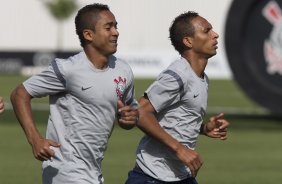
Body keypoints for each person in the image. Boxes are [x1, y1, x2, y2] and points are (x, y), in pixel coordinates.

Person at [10, 3, 138, 184]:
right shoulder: (67, 69)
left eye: (116, 26)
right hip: (65, 171)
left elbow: (129, 113)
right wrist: (35, 140)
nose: (116, 32)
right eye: (108, 27)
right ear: (88, 35)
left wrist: (130, 118)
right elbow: (19, 94)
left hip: (94, 171)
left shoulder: (123, 70)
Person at [125, 11, 229, 184]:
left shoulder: (202, 78)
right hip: (152, 177)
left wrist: (203, 128)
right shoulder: (177, 75)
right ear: (188, 41)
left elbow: (175, 119)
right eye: (207, 31)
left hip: (181, 176)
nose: (215, 34)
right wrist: (180, 149)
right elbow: (141, 112)